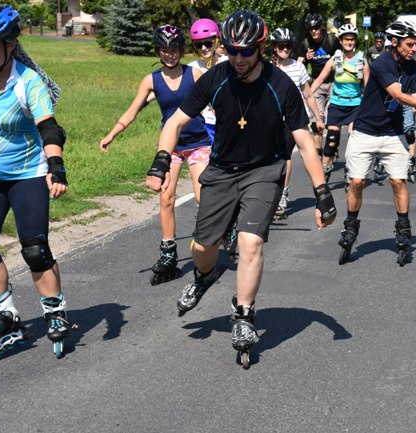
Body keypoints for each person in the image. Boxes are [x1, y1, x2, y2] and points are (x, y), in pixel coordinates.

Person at [146, 10, 336, 366]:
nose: (237, 58)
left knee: (250, 242)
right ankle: (205, 275)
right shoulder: (216, 77)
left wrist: (322, 192)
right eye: (231, 50)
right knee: (204, 246)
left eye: (245, 51)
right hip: (221, 170)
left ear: (260, 48)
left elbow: (305, 142)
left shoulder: (281, 86)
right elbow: (175, 121)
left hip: (264, 170)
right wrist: (160, 158)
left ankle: (244, 314)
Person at [100, 25, 212, 286]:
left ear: (181, 50)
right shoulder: (152, 80)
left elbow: (215, 102)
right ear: (158, 51)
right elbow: (132, 111)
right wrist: (112, 134)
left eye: (174, 50)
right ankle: (168, 252)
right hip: (169, 146)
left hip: (198, 144)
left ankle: (212, 242)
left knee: (202, 195)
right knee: (166, 198)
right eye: (164, 50)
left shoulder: (194, 74)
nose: (170, 54)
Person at [338, 19, 416, 266]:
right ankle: (350, 226)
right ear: (395, 42)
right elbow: (398, 96)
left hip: (393, 134)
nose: (415, 49)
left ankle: (403, 229)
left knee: (398, 182)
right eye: (411, 44)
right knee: (357, 182)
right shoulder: (381, 63)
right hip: (365, 131)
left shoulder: (414, 68)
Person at [0, 4, 71, 358]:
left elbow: (49, 127)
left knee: (35, 249)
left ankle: (54, 310)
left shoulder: (28, 81)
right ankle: (4, 310)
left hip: (28, 174)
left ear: (11, 45)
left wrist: (56, 166)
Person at [270, 27, 325, 219]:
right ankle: (270, 194)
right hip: (272, 118)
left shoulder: (298, 67)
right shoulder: (268, 68)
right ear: (274, 48)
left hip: (294, 118)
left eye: (287, 46)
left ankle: (282, 195)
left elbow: (308, 94)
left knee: (285, 156)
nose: (285, 49)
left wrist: (318, 118)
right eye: (281, 46)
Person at [310, 23, 369, 182]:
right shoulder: (334, 60)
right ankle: (324, 170)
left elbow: (369, 87)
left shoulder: (362, 60)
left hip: (356, 105)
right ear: (341, 41)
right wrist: (305, 95)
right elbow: (320, 79)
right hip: (337, 104)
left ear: (355, 41)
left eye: (352, 39)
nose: (349, 42)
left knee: (354, 138)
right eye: (346, 39)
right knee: (331, 141)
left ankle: (351, 170)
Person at [297, 13, 341, 153]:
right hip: (317, 83)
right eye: (311, 29)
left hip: (334, 81)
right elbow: (297, 65)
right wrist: (306, 58)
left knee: (333, 120)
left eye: (316, 27)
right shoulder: (306, 44)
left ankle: (332, 147)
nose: (314, 31)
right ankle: (318, 152)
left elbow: (341, 60)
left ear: (321, 27)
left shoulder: (332, 41)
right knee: (317, 121)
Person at [188, 18, 221, 142]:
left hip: (229, 121)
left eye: (207, 43)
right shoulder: (192, 67)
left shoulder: (228, 63)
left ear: (216, 41)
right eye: (198, 44)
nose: (203, 48)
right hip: (205, 124)